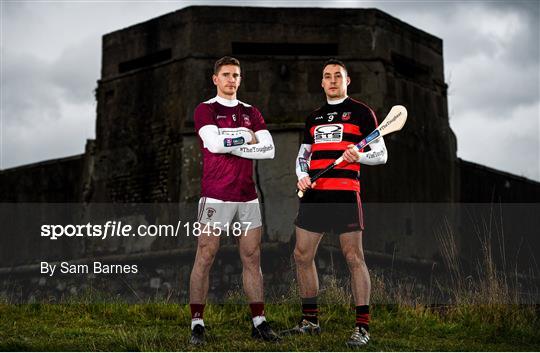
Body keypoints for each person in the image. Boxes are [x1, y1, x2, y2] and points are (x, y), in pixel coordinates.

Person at [288, 58, 387, 347]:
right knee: (301, 255)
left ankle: (362, 327)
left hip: (345, 193)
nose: (332, 81)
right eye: (327, 76)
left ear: (347, 81)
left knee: (353, 257)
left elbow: (381, 154)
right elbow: (302, 156)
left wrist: (361, 156)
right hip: (315, 194)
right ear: (321, 82)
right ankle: (310, 321)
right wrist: (303, 175)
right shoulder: (314, 117)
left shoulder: (361, 113)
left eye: (338, 76)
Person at [189, 56, 279, 345]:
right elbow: (213, 144)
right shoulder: (205, 109)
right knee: (206, 255)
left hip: (247, 197)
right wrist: (246, 138)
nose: (231, 79)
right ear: (215, 78)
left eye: (236, 75)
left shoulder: (252, 111)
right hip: (215, 194)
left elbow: (269, 150)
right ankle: (197, 324)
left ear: (240, 80)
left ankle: (259, 321)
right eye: (225, 74)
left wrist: (234, 143)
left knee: (252, 258)